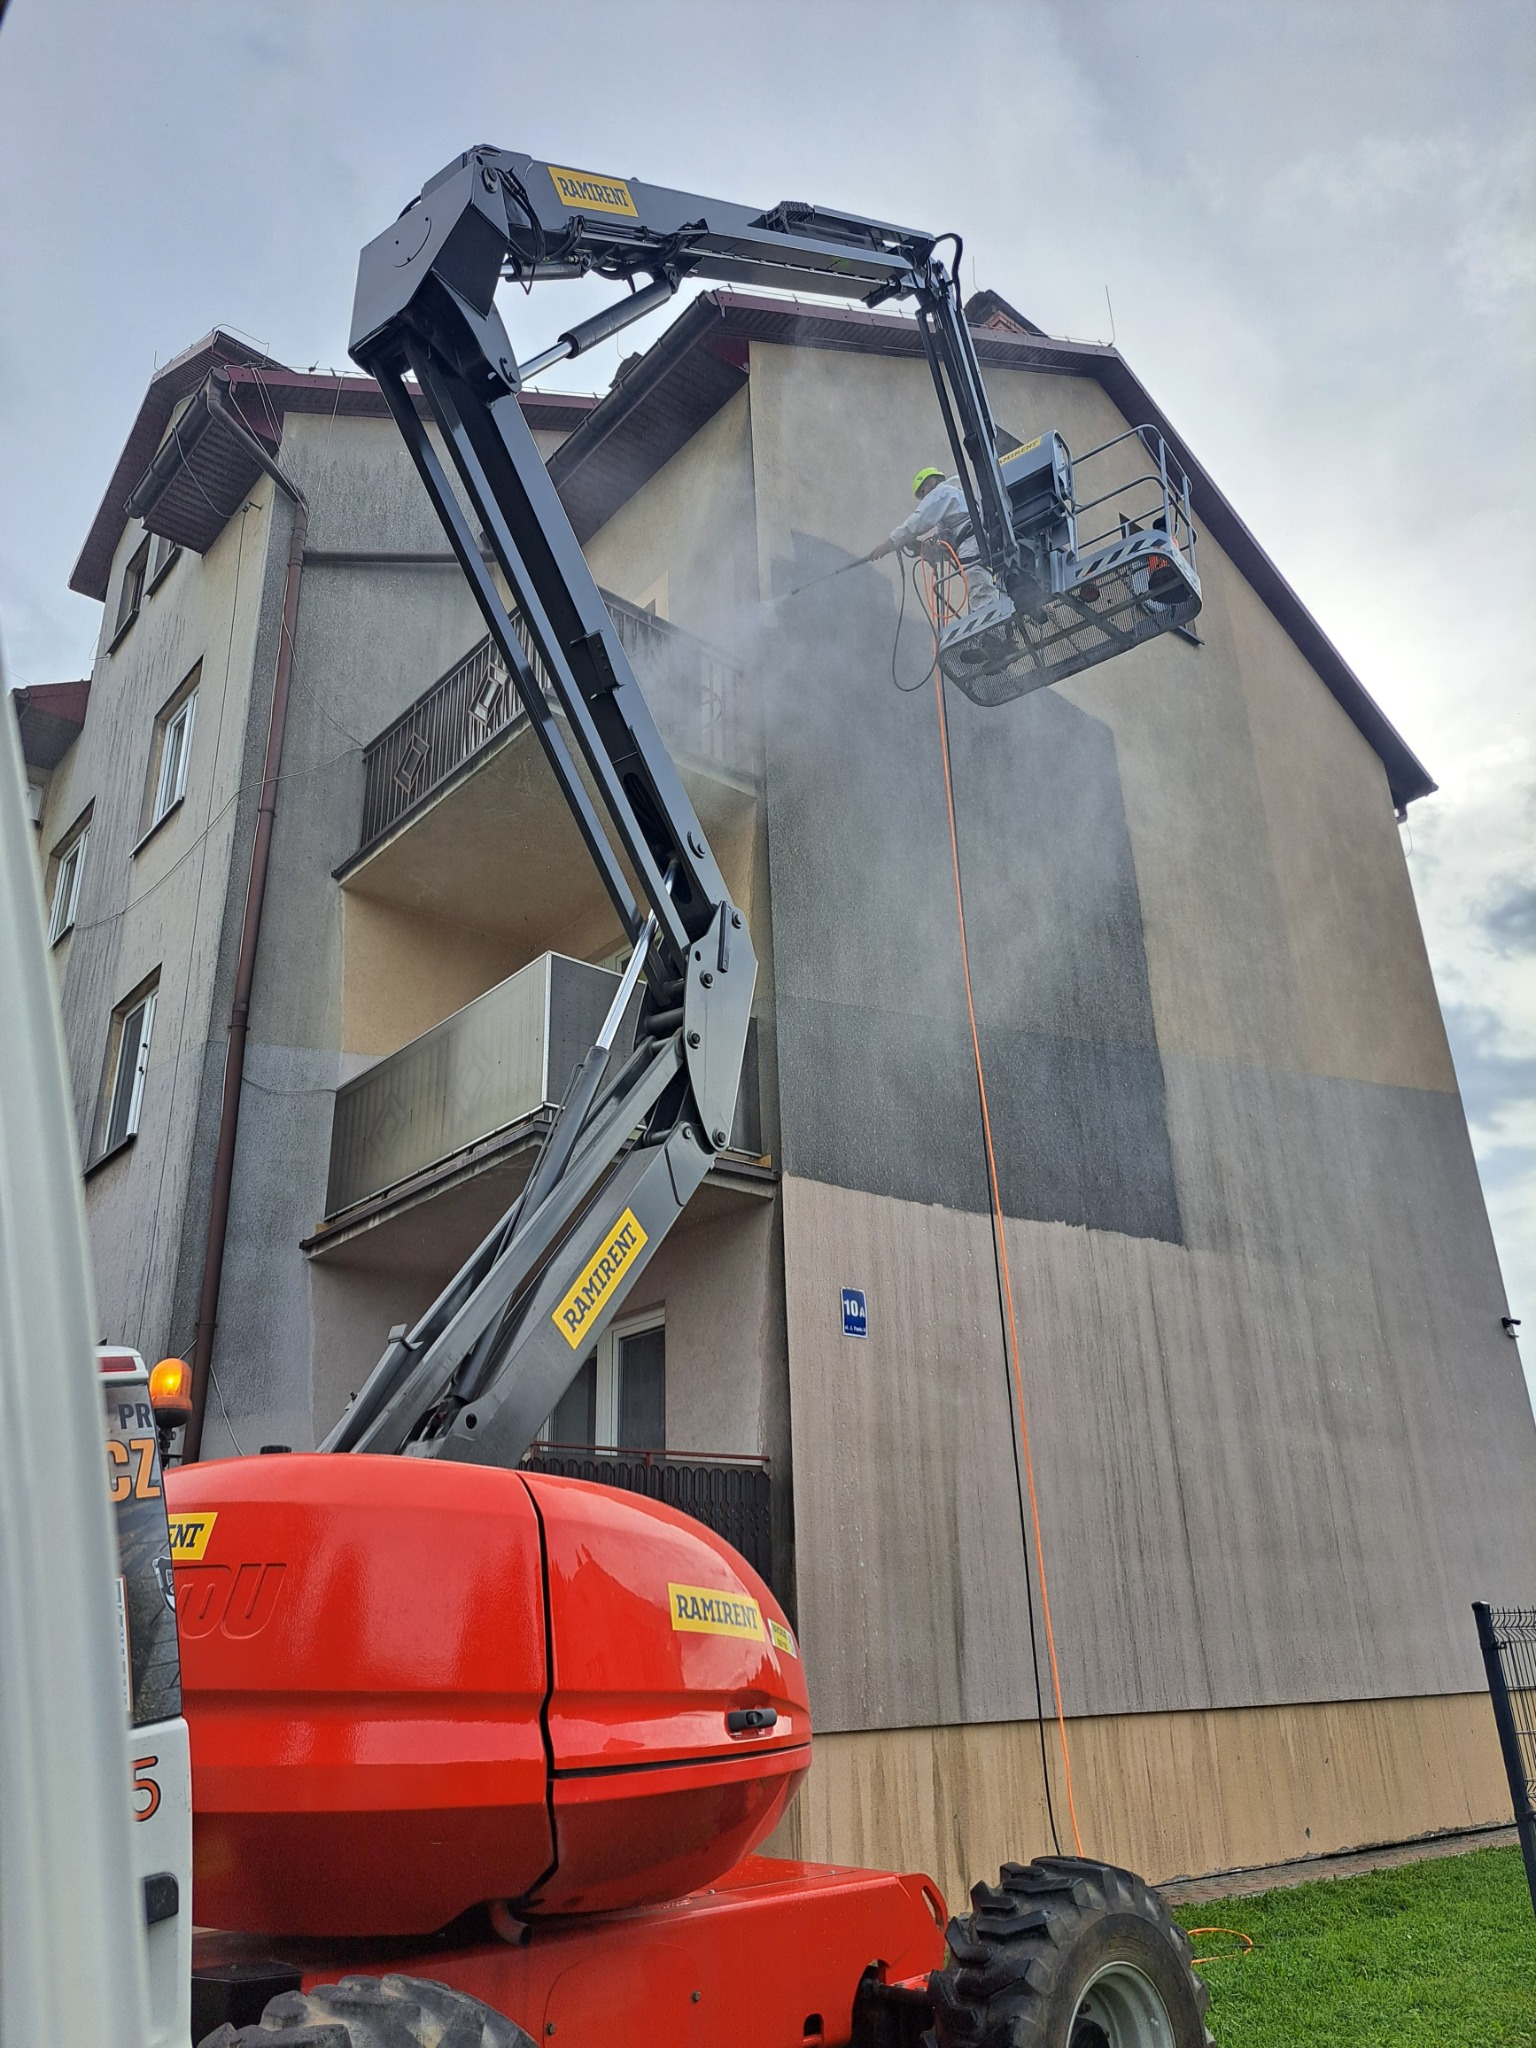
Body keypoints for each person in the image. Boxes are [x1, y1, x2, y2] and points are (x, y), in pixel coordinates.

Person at [865, 467, 999, 616]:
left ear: (933, 480)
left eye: (923, 491)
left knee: (978, 582)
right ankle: (991, 620)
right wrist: (922, 548)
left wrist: (889, 544)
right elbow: (946, 546)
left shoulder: (943, 492)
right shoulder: (953, 503)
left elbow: (917, 521)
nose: (924, 497)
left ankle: (990, 622)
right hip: (971, 542)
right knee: (980, 582)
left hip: (970, 542)